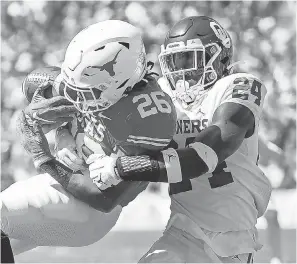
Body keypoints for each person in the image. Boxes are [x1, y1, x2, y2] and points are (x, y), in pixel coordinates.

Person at [88, 16, 272, 263]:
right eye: (174, 61)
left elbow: (203, 156)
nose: (182, 71)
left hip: (232, 240)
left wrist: (122, 168)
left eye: (190, 59)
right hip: (182, 232)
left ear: (221, 59)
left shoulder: (238, 86)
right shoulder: (161, 94)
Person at [1, 20, 176, 257]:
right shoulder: (95, 84)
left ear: (121, 81)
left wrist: (44, 158)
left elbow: (103, 198)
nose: (77, 97)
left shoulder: (146, 116)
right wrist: (63, 133)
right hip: (63, 189)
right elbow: (36, 85)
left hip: (89, 212)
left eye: (86, 92)